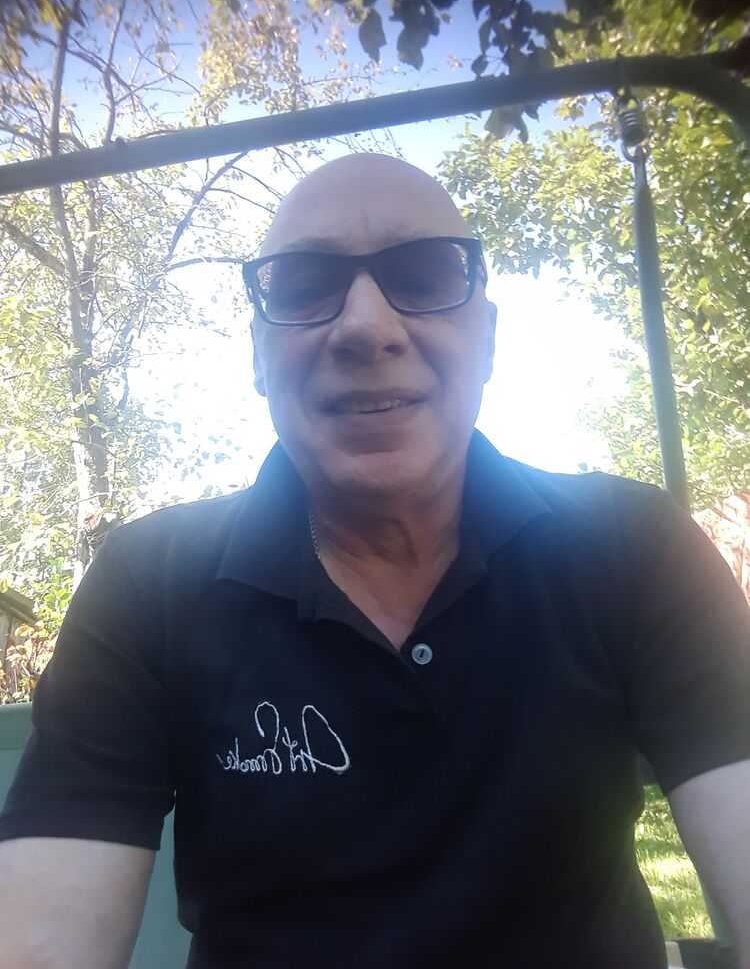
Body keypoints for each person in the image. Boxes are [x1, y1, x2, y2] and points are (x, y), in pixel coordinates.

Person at [0, 153, 749, 969]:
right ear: (258, 356)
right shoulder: (148, 584)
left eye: (423, 276)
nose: (366, 327)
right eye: (304, 286)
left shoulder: (631, 543)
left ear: (489, 339)